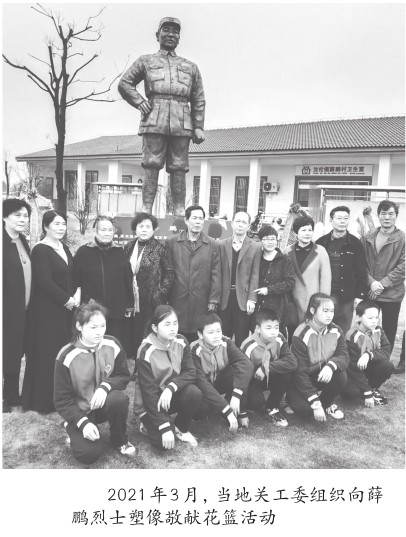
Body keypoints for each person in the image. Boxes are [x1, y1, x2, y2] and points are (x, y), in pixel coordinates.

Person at [118, 17, 205, 215]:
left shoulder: (190, 67)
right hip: (154, 118)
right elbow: (125, 83)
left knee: (179, 167)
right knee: (151, 164)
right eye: (166, 30)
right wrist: (139, 101)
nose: (171, 35)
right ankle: (146, 209)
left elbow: (198, 98)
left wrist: (199, 126)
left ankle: (179, 210)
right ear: (158, 35)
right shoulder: (146, 61)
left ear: (179, 37)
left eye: (175, 32)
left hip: (182, 121)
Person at [54, 302, 136, 465]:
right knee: (88, 455)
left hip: (103, 404)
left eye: (103, 326)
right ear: (79, 326)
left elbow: (123, 376)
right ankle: (72, 427)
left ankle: (120, 440)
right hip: (80, 410)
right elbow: (61, 400)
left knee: (118, 399)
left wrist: (105, 387)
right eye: (93, 327)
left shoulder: (112, 344)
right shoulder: (65, 356)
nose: (100, 332)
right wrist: (82, 423)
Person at [22, 210, 78, 413]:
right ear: (46, 226)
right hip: (47, 312)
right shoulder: (40, 250)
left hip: (65, 310)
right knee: (48, 353)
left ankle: (62, 397)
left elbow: (72, 274)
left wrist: (76, 294)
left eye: (63, 224)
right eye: (56, 224)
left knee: (63, 352)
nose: (61, 228)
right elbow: (44, 282)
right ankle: (44, 401)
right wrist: (67, 300)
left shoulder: (64, 247)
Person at [137, 305, 202, 449]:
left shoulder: (181, 341)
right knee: (163, 444)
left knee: (194, 393)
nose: (173, 328)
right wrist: (164, 426)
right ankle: (147, 423)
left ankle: (181, 428)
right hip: (150, 402)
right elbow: (148, 393)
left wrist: (170, 388)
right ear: (155, 328)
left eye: (175, 323)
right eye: (167, 324)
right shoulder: (145, 351)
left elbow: (190, 372)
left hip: (169, 396)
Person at [73, 216, 134, 350]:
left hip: (116, 309)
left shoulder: (120, 252)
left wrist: (129, 305)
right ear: (95, 231)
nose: (107, 233)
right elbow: (74, 280)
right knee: (93, 344)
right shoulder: (83, 252)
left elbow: (127, 279)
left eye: (110, 230)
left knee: (114, 344)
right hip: (92, 308)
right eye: (103, 230)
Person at [287, 293, 349, 421]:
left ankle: (327, 404)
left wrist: (331, 366)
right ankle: (292, 400)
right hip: (300, 378)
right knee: (305, 412)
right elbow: (299, 372)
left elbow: (344, 356)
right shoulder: (301, 333)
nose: (329, 315)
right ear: (312, 310)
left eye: (332, 311)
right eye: (325, 311)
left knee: (340, 375)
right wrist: (315, 402)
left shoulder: (336, 330)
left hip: (321, 374)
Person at [166, 205, 221, 342]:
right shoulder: (172, 242)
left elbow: (216, 274)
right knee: (177, 338)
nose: (198, 222)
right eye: (194, 218)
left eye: (201, 219)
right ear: (186, 220)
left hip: (201, 300)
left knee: (198, 338)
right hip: (177, 299)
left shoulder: (212, 244)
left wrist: (213, 300)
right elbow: (166, 272)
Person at [123, 212, 174, 358]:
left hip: (151, 299)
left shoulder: (160, 247)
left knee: (146, 331)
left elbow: (169, 272)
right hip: (131, 297)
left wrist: (159, 292)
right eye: (141, 226)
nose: (144, 230)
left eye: (148, 226)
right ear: (135, 228)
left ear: (153, 229)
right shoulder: (129, 246)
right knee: (131, 330)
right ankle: (132, 358)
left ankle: (146, 361)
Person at [190, 313, 254, 429]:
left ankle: (233, 409)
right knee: (202, 410)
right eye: (210, 333)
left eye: (218, 331)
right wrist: (226, 409)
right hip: (203, 387)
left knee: (239, 371)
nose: (216, 336)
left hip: (219, 381)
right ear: (200, 334)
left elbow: (246, 365)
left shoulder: (226, 342)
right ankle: (224, 409)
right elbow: (201, 383)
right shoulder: (194, 350)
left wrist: (237, 396)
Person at [316, 206, 368, 335]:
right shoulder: (321, 243)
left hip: (347, 296)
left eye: (345, 218)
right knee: (323, 330)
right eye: (339, 218)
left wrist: (359, 295)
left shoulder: (355, 243)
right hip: (326, 294)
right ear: (331, 220)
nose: (342, 221)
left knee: (342, 332)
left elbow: (361, 270)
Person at [241, 308, 297, 427]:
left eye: (276, 327)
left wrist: (266, 367)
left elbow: (292, 362)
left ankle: (272, 407)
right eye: (268, 328)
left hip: (270, 375)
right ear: (258, 329)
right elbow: (241, 375)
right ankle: (251, 402)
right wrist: (241, 412)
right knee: (255, 403)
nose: (273, 332)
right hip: (253, 380)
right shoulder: (248, 345)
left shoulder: (280, 338)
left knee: (287, 371)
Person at [362, 200, 405, 351]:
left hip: (392, 294)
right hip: (370, 292)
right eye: (383, 213)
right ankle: (365, 357)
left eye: (391, 214)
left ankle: (385, 359)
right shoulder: (368, 237)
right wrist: (371, 283)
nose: (387, 217)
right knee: (366, 327)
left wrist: (381, 285)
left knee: (389, 330)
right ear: (378, 215)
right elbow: (361, 263)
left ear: (396, 216)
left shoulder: (402, 238)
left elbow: (403, 267)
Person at [2, 198, 32, 412]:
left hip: (24, 310)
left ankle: (11, 395)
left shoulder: (22, 240)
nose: (23, 219)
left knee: (15, 352)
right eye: (17, 215)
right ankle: (6, 398)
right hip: (6, 311)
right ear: (4, 217)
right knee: (6, 352)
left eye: (25, 216)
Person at [218, 211, 261, 347]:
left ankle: (240, 360)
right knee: (223, 337)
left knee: (242, 338)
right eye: (237, 221)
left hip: (243, 298)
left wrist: (252, 299)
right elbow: (217, 273)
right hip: (224, 298)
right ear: (232, 224)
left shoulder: (255, 246)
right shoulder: (221, 245)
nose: (240, 225)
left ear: (248, 226)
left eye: (244, 222)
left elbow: (255, 275)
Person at [343, 300, 393, 407]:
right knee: (352, 393)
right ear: (358, 317)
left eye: (377, 317)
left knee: (387, 366)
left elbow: (386, 351)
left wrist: (368, 354)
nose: (374, 321)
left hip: (368, 367)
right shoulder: (351, 336)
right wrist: (366, 391)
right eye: (370, 318)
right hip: (352, 372)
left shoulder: (379, 330)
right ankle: (366, 390)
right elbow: (352, 367)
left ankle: (372, 388)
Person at [284, 215, 331, 327]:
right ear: (296, 233)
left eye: (310, 230)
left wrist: (323, 302)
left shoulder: (320, 251)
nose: (307, 233)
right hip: (292, 302)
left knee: (312, 330)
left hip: (313, 301)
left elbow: (326, 279)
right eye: (303, 230)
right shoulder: (287, 251)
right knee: (293, 331)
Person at [254, 225, 295, 337]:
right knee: (259, 335)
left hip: (277, 306)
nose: (270, 242)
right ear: (260, 241)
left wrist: (269, 290)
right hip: (258, 305)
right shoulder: (257, 258)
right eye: (266, 239)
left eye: (273, 239)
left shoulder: (284, 259)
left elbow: (290, 282)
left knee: (276, 336)